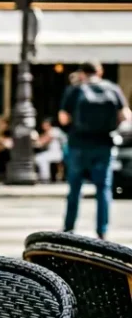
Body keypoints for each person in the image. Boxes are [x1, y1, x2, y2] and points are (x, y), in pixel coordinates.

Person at [59, 61, 129, 239]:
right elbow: (126, 115)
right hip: (104, 144)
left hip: (78, 144)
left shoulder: (75, 90)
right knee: (103, 188)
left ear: (82, 73)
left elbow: (63, 118)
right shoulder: (112, 89)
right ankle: (102, 230)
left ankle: (69, 228)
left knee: (75, 188)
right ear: (100, 71)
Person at [34, 118, 67, 183]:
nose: (43, 126)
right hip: (53, 153)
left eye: (44, 124)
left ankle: (45, 178)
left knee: (40, 158)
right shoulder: (49, 131)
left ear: (48, 124)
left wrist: (36, 140)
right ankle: (44, 176)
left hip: (59, 153)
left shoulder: (54, 130)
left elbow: (43, 140)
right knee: (39, 157)